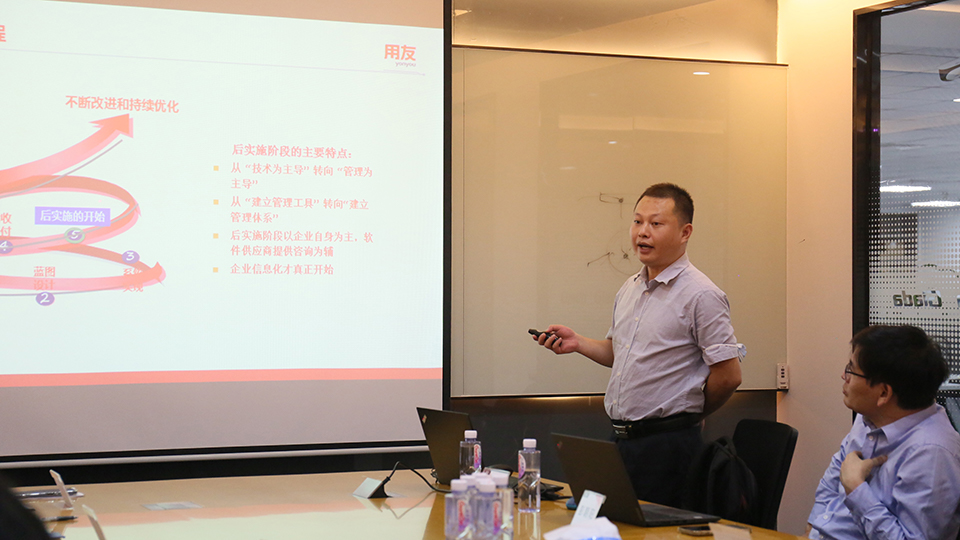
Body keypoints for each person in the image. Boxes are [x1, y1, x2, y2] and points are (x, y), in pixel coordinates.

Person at [532, 183, 742, 507]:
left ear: (685, 232)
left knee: (651, 528)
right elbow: (620, 353)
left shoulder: (702, 295)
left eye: (656, 223)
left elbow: (729, 376)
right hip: (622, 440)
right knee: (610, 524)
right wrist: (578, 343)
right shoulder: (630, 288)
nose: (643, 232)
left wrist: (689, 413)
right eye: (637, 221)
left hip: (668, 447)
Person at [807, 325, 960, 540]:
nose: (843, 376)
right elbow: (831, 482)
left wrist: (857, 490)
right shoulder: (868, 418)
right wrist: (812, 530)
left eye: (851, 369)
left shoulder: (932, 453)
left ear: (883, 393)